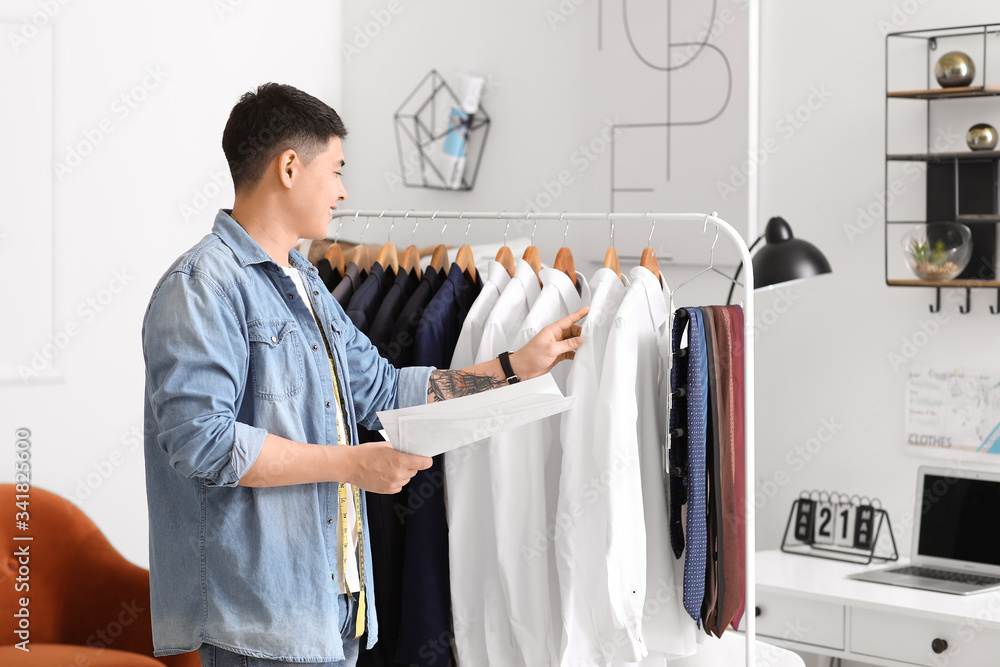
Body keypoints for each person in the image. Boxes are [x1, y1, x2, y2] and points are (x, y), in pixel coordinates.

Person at [141, 82, 588, 667]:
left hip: (333, 609)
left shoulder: (304, 282)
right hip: (258, 618)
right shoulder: (202, 287)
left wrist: (511, 369)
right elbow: (202, 441)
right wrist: (353, 464)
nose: (344, 191)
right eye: (337, 169)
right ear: (291, 167)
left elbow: (383, 390)